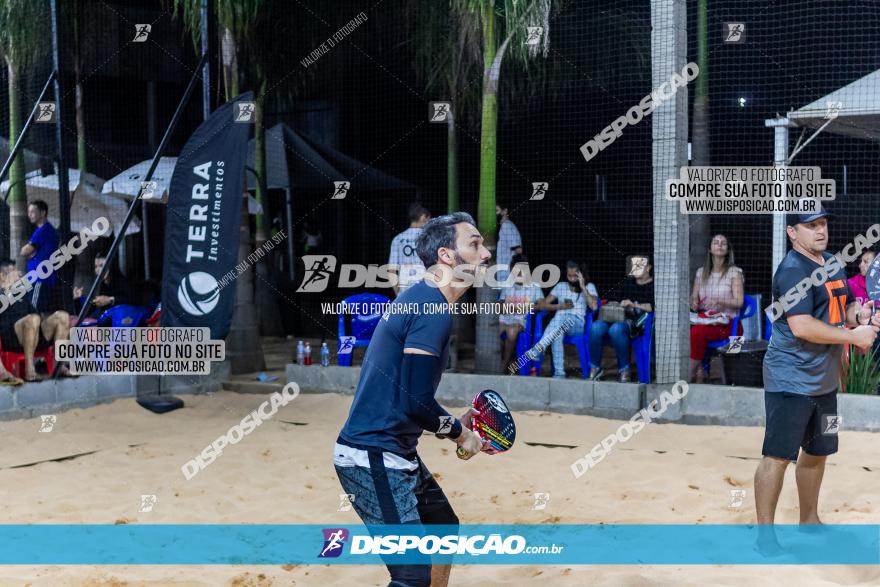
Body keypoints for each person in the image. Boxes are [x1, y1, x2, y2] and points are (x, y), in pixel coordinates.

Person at [334, 212, 491, 587]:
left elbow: (410, 399)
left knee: (444, 530)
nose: (486, 254)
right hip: (370, 455)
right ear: (446, 256)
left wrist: (451, 421)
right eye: (475, 244)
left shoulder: (422, 299)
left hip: (394, 451)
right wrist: (460, 433)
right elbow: (413, 401)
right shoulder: (431, 308)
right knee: (411, 574)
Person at [756, 209, 878, 554]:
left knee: (817, 451)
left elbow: (845, 308)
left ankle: (808, 519)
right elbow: (802, 326)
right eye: (811, 226)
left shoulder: (832, 263)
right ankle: (765, 536)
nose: (820, 231)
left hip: (824, 381)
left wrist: (861, 315)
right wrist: (854, 337)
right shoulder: (792, 271)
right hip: (790, 379)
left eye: (823, 223)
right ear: (793, 232)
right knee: (777, 456)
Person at [0, 259, 73, 380]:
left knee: (62, 316)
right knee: (32, 319)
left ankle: (58, 365)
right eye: (13, 271)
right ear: (2, 276)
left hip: (33, 333)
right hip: (12, 338)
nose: (19, 274)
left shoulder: (21, 295)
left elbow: (37, 316)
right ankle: (29, 368)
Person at [524, 260, 598, 379]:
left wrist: (583, 287)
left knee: (561, 318)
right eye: (570, 276)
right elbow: (543, 305)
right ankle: (559, 373)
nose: (572, 279)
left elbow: (594, 306)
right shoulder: (561, 286)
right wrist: (559, 306)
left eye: (575, 276)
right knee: (557, 332)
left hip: (577, 325)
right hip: (559, 325)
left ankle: (538, 349)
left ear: (581, 274)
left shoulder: (590, 286)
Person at [689, 234, 745, 382]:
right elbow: (694, 298)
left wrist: (719, 300)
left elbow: (739, 302)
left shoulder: (735, 272)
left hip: (730, 325)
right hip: (707, 320)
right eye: (716, 242)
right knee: (686, 331)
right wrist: (694, 302)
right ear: (709, 249)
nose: (720, 245)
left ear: (727, 250)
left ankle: (688, 374)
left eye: (723, 243)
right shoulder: (700, 273)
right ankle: (700, 370)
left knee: (696, 333)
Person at [589, 255, 654, 382]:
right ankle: (595, 368)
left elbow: (653, 308)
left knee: (616, 330)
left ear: (648, 268)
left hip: (639, 322)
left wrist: (634, 305)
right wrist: (619, 303)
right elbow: (614, 299)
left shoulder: (654, 285)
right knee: (596, 327)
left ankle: (624, 369)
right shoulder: (627, 283)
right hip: (618, 317)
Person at [498, 254, 544, 373]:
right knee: (495, 334)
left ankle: (503, 366)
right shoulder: (507, 286)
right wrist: (512, 308)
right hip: (505, 318)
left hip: (523, 320)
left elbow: (542, 305)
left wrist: (528, 307)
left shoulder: (534, 286)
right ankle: (510, 361)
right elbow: (500, 308)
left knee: (511, 333)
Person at [19, 200, 60, 313]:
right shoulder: (44, 230)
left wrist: (30, 252)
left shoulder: (43, 230)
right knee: (42, 313)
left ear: (43, 213)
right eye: (29, 212)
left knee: (34, 313)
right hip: (41, 278)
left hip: (40, 278)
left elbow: (24, 251)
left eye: (33, 211)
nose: (29, 215)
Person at [388, 202, 430, 296]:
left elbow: (392, 270)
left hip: (405, 292)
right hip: (425, 291)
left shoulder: (398, 239)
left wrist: (398, 294)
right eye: (428, 219)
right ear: (423, 217)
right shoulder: (429, 239)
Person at [73, 254, 133, 320]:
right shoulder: (102, 285)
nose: (98, 270)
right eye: (96, 266)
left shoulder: (121, 281)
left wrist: (110, 300)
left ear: (110, 266)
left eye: (101, 266)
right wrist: (77, 299)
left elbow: (132, 300)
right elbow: (86, 313)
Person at [495, 203, 522, 282]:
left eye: (496, 210)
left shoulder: (506, 226)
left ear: (505, 211)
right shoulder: (502, 226)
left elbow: (519, 250)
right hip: (502, 273)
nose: (494, 214)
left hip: (506, 274)